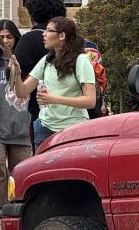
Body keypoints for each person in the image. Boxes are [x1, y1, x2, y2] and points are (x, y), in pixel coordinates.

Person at [10, 16, 96, 149]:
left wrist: (54, 99)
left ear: (61, 35)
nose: (43, 34)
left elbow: (90, 101)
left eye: (49, 31)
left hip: (73, 129)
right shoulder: (46, 60)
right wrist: (16, 73)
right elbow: (22, 92)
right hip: (44, 128)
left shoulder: (81, 60)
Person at [0, 20, 32, 219]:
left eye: (9, 37)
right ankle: (0, 212)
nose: (5, 41)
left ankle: (19, 211)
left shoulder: (24, 61)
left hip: (20, 126)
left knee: (20, 170)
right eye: (0, 37)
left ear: (16, 37)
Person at [13, 0, 66, 147]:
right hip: (73, 113)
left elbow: (15, 73)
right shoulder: (74, 42)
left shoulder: (30, 39)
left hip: (44, 113)